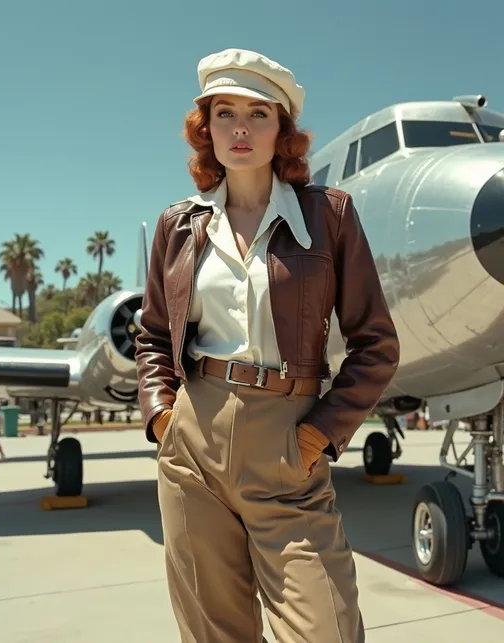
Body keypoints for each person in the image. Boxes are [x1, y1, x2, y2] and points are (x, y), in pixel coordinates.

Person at [135, 48, 400, 643]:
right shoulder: (177, 226)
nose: (239, 129)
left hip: (287, 442)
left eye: (258, 114)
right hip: (192, 444)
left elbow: (376, 343)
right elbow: (154, 333)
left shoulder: (329, 216)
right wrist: (162, 418)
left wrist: (319, 432)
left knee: (324, 629)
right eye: (223, 113)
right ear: (207, 129)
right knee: (215, 633)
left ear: (283, 129)